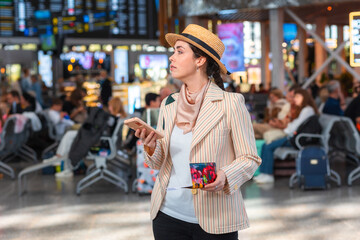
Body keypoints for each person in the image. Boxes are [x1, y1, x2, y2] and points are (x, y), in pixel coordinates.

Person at [134, 24, 261, 239]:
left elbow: (250, 158)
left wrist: (225, 176)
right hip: (167, 216)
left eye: (179, 51)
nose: (171, 58)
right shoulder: (169, 103)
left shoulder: (230, 103)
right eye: (173, 51)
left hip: (216, 218)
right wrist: (151, 145)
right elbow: (158, 163)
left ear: (200, 60)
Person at [254, 88, 318, 184]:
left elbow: (295, 126)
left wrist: (285, 130)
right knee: (265, 145)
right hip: (293, 137)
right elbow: (295, 124)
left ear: (304, 98)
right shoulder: (303, 109)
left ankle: (268, 174)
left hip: (296, 139)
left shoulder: (307, 110)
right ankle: (264, 173)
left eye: (297, 97)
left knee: (268, 146)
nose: (294, 99)